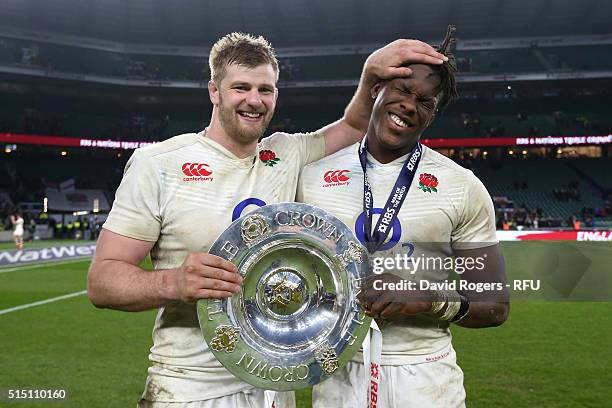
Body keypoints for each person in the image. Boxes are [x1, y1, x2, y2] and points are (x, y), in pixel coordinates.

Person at [87, 32, 448, 408]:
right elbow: (103, 281)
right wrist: (174, 281)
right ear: (214, 91)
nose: (255, 100)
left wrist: (371, 73)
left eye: (266, 89)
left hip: (274, 388)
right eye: (241, 87)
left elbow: (355, 126)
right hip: (189, 389)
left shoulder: (287, 152)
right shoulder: (160, 165)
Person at [298, 27, 509, 407]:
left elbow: (494, 306)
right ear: (377, 89)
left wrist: (428, 299)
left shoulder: (462, 186)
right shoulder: (312, 174)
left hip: (426, 377)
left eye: (425, 101)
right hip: (338, 374)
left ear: (433, 114)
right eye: (403, 90)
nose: (410, 105)